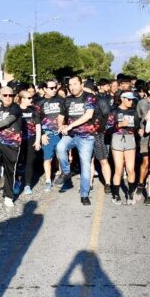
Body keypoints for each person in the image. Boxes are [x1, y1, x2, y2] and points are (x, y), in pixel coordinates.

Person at [56, 76, 97, 206]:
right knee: (60, 148)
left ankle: (84, 194)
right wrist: (61, 125)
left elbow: (88, 115)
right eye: (70, 85)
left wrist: (70, 126)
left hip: (86, 136)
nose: (72, 87)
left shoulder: (89, 97)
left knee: (85, 165)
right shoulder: (66, 100)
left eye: (75, 84)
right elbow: (61, 116)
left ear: (81, 84)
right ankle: (66, 172)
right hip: (71, 135)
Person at [110, 92, 138, 205]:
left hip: (130, 139)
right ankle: (116, 195)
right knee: (119, 169)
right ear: (122, 99)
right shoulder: (114, 111)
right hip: (117, 139)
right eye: (129, 99)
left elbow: (136, 126)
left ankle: (130, 193)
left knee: (130, 169)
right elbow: (107, 128)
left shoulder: (134, 111)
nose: (131, 101)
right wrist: (119, 125)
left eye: (132, 100)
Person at [37, 79, 63, 192]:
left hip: (60, 134)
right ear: (44, 89)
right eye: (51, 88)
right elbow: (36, 121)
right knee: (47, 158)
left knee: (61, 157)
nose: (54, 90)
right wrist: (42, 134)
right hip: (47, 135)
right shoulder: (39, 103)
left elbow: (67, 116)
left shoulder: (61, 100)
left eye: (55, 87)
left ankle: (62, 178)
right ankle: (48, 180)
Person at [15, 88, 41, 195]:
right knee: (18, 162)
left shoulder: (33, 110)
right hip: (18, 140)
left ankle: (27, 184)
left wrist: (38, 140)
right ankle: (17, 182)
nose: (31, 99)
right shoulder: (15, 110)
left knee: (29, 162)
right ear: (22, 99)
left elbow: (38, 125)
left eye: (31, 97)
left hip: (31, 138)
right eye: (29, 98)